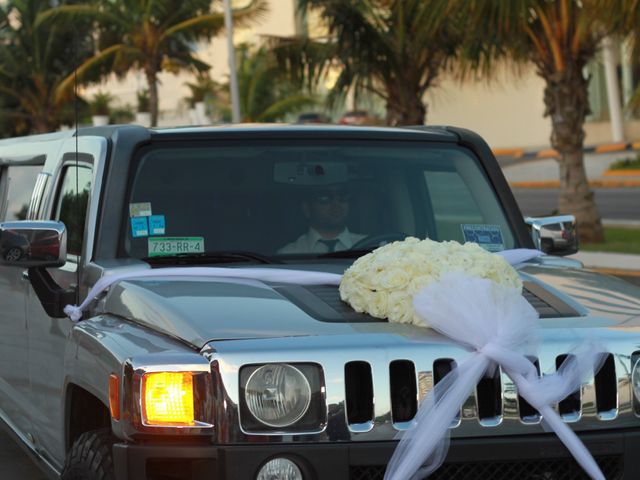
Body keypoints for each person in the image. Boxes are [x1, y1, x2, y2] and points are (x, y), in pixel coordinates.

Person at [278, 185, 366, 254]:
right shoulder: (289, 253)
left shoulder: (371, 249)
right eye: (325, 198)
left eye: (342, 196)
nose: (336, 204)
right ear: (307, 209)